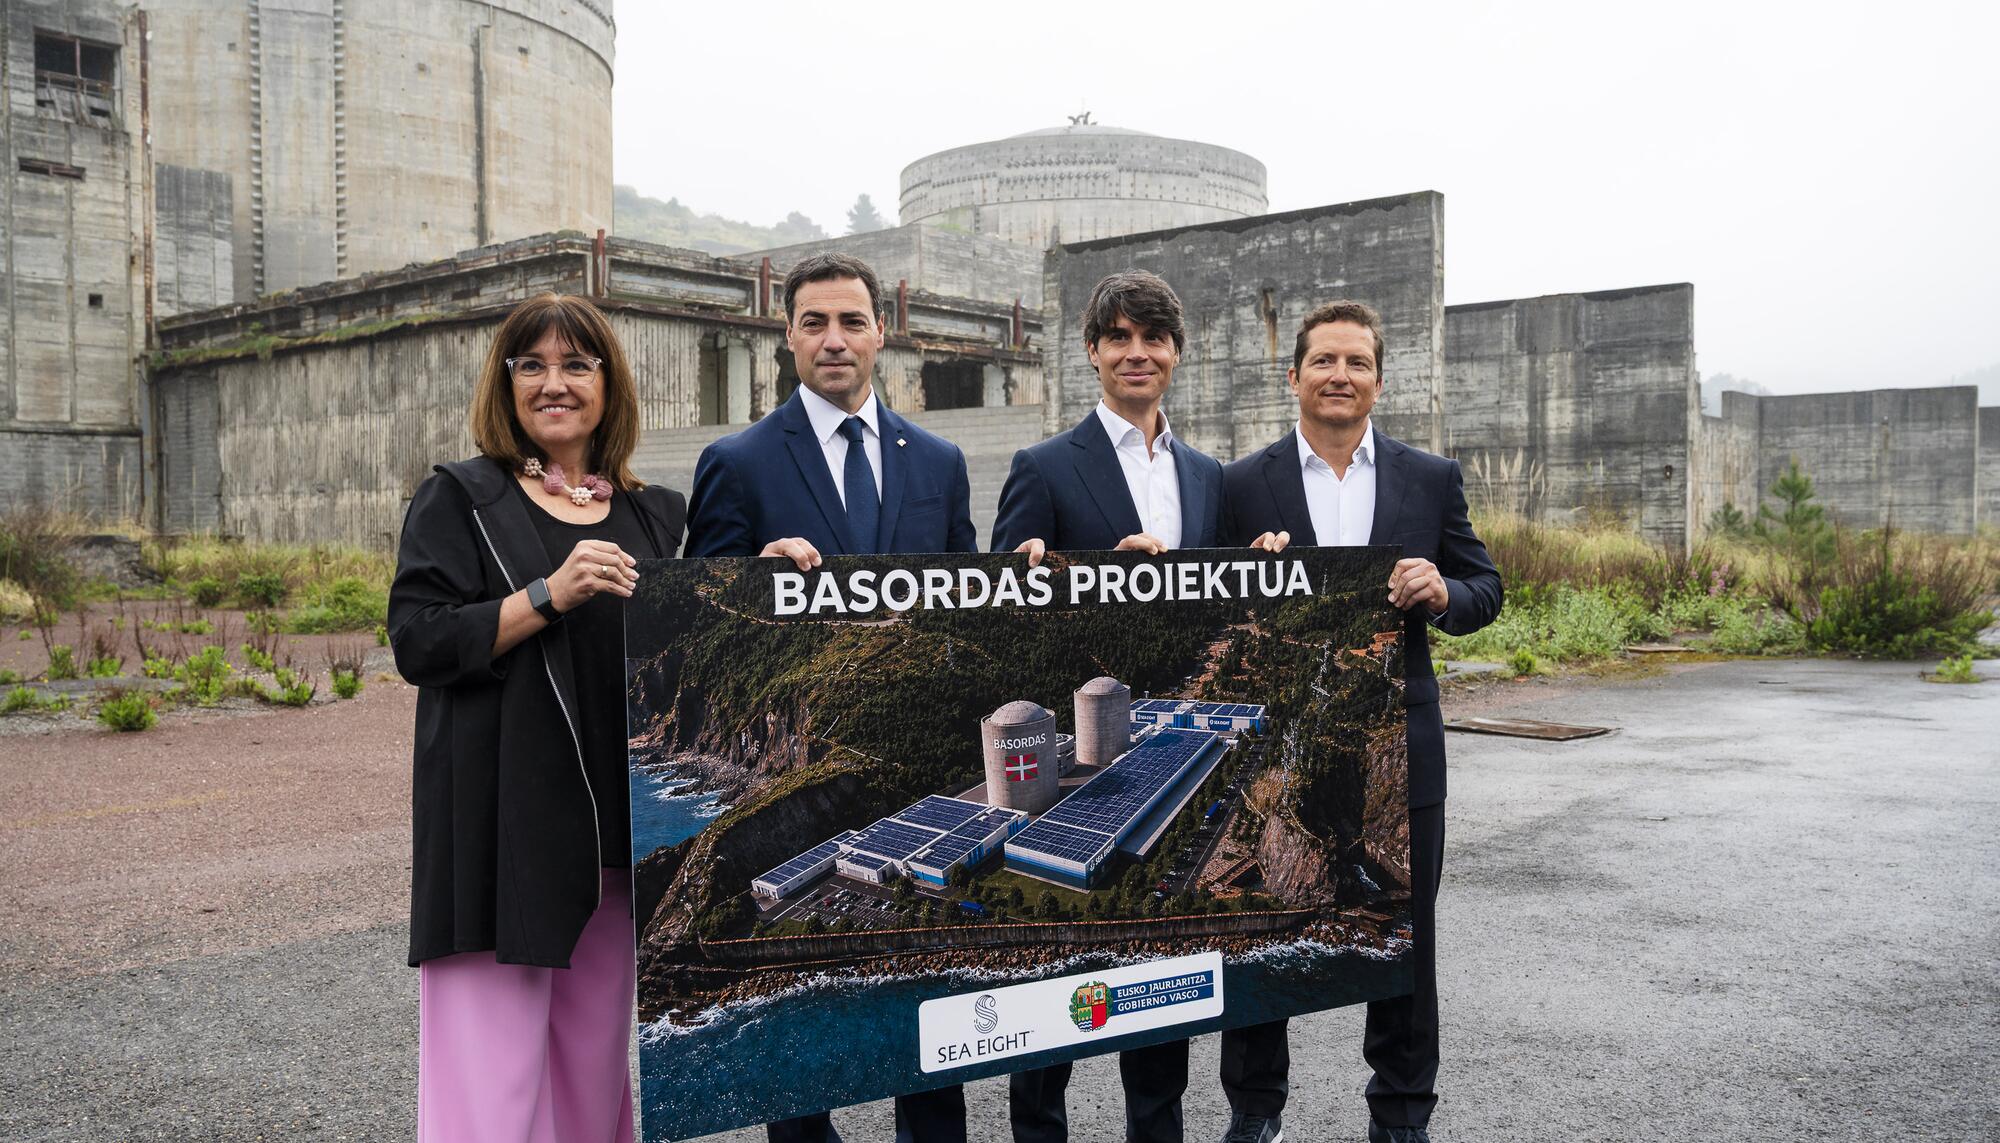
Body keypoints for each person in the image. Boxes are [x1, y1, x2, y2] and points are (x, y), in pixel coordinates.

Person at [684, 252, 977, 1143]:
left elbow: (967, 603)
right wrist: (747, 582)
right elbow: (695, 614)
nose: (834, 339)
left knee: (930, 1010)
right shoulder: (735, 462)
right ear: (787, 335)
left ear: (881, 331)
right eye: (815, 322)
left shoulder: (939, 460)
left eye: (851, 321)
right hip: (804, 760)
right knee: (796, 1013)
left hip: (919, 761)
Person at [389, 292, 688, 1142]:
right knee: (489, 1089)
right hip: (498, 834)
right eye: (532, 365)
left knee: (593, 1077)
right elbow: (418, 640)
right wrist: (546, 595)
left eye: (576, 364)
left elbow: (688, 636)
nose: (553, 383)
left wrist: (771, 573)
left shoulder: (653, 514)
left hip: (614, 841)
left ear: (608, 383)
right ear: (506, 381)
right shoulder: (462, 497)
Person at [1217, 300, 1501, 1143]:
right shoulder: (1241, 483)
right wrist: (1241, 576)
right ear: (1293, 374)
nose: (1340, 375)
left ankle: (1402, 1114)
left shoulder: (1430, 478)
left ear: (1379, 380)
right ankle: (1255, 1112)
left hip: (1398, 745)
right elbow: (1204, 614)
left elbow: (1485, 588)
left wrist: (1445, 592)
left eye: (1357, 362)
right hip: (1282, 744)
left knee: (1404, 938)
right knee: (1265, 930)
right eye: (1324, 360)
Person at [989, 269, 1227, 1143]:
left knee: (1158, 993)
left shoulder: (1207, 475)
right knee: (1047, 1011)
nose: (1137, 353)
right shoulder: (1042, 466)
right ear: (1091, 351)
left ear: (1175, 352)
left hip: (1164, 733)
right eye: (1118, 338)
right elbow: (1004, 597)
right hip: (1073, 742)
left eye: (1153, 338)